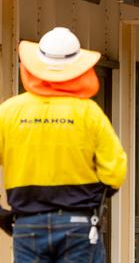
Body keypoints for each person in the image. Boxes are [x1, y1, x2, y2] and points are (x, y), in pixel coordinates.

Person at [0, 27, 127, 262]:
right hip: (78, 224)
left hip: (27, 224)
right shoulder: (89, 113)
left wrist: (0, 215)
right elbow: (115, 172)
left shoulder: (9, 112)